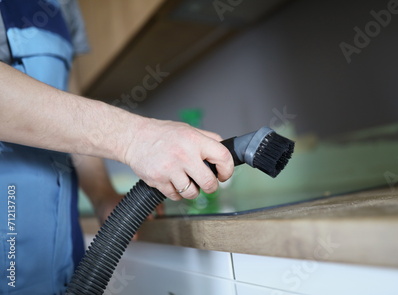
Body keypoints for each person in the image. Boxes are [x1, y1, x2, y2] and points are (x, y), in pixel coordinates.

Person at [0, 1, 234, 294]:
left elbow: (66, 102)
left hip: (60, 261)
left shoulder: (63, 5)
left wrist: (102, 196)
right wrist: (136, 137)